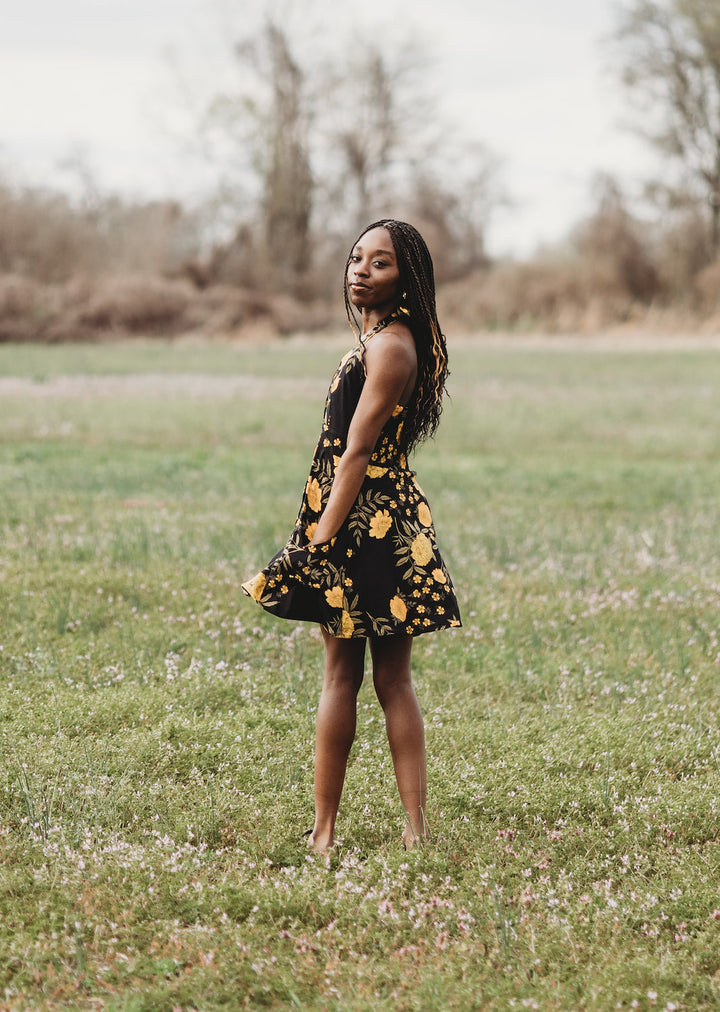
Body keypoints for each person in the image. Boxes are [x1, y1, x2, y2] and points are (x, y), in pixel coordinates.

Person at [242, 218, 461, 852]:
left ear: (407, 279)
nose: (361, 269)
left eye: (381, 263)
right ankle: (326, 829)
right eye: (357, 257)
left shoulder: (392, 346)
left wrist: (317, 540)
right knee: (355, 676)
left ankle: (401, 831)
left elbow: (358, 450)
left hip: (371, 526)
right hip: (362, 515)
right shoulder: (378, 339)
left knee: (374, 680)